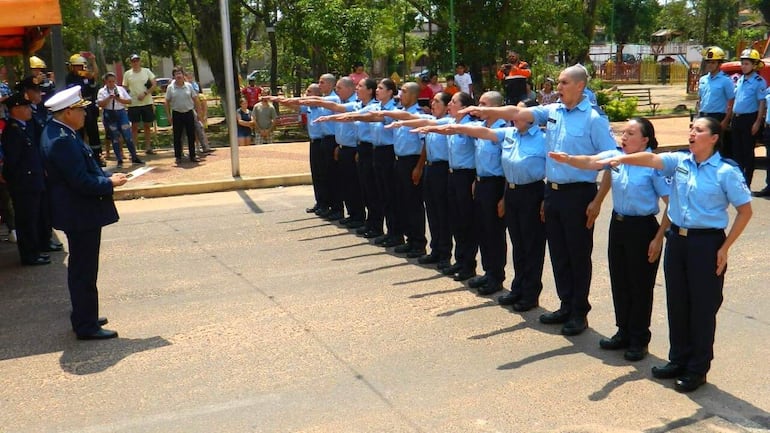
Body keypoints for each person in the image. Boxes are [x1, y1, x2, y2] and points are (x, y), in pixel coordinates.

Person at [597, 117, 752, 392]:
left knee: (702, 308)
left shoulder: (725, 171)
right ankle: (678, 360)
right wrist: (621, 159)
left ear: (714, 138)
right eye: (692, 129)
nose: (692, 133)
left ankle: (697, 369)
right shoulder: (680, 161)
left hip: (706, 243)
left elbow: (745, 212)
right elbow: (652, 160)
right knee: (677, 304)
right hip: (677, 241)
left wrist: (725, 247)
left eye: (699, 130)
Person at [460, 64, 617, 336]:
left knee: (577, 256)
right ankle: (565, 305)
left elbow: (612, 160)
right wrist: (488, 111)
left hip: (579, 194)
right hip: (553, 192)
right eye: (558, 82)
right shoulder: (553, 111)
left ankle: (579, 312)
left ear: (580, 86)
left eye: (564, 82)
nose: (558, 87)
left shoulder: (594, 119)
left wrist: (598, 200)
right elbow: (519, 112)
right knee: (558, 254)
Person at [550, 117, 670, 361]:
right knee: (620, 280)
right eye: (622, 133)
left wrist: (659, 238)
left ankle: (639, 338)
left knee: (640, 286)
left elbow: (672, 205)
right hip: (619, 225)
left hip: (643, 228)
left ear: (645, 140)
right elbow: (592, 162)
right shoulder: (617, 158)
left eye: (630, 133)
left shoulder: (653, 165)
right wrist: (569, 159)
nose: (623, 137)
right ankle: (623, 331)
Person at [40, 85, 128, 340]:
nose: (85, 115)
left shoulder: (60, 132)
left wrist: (108, 176)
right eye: (80, 110)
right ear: (68, 112)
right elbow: (80, 181)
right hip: (79, 213)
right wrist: (110, 183)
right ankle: (86, 324)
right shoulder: (61, 140)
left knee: (82, 269)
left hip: (77, 212)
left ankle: (84, 315)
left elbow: (83, 170)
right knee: (84, 271)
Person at [0, 94, 49, 265]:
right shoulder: (12, 131)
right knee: (26, 220)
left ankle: (34, 251)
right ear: (16, 109)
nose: (29, 110)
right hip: (23, 184)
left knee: (32, 218)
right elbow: (12, 162)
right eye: (26, 107)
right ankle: (29, 255)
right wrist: (18, 181)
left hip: (31, 181)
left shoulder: (22, 127)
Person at [730, 48, 767, 186]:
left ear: (754, 65)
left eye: (747, 64)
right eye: (743, 63)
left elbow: (761, 103)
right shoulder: (739, 80)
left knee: (747, 152)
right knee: (736, 152)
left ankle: (746, 183)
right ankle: (737, 182)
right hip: (737, 119)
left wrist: (758, 122)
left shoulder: (759, 82)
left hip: (749, 119)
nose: (743, 66)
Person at [97, 72, 143, 167]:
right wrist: (109, 98)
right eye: (109, 81)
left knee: (128, 136)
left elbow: (129, 101)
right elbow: (100, 104)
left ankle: (134, 156)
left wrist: (118, 99)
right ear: (105, 81)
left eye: (113, 81)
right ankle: (119, 159)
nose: (111, 83)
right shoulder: (102, 91)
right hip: (110, 114)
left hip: (121, 113)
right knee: (115, 138)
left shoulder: (120, 89)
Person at [65, 52, 103, 167]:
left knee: (93, 133)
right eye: (77, 66)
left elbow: (95, 75)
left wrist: (93, 61)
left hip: (89, 108)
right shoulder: (69, 78)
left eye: (81, 66)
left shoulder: (86, 76)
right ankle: (82, 157)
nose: (80, 68)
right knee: (79, 133)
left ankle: (97, 157)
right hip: (76, 108)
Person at [696, 47, 734, 153]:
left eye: (713, 62)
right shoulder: (703, 79)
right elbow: (700, 99)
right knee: (703, 146)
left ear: (719, 64)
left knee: (718, 148)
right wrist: (697, 116)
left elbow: (731, 101)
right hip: (703, 115)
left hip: (718, 117)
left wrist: (726, 120)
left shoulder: (726, 80)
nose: (710, 65)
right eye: (708, 62)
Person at [123, 54, 158, 155]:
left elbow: (154, 84)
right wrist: (129, 96)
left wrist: (145, 93)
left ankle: (148, 147)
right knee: (134, 126)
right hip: (133, 104)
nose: (135, 62)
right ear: (131, 62)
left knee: (147, 125)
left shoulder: (146, 71)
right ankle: (133, 148)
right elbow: (124, 87)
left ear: (140, 61)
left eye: (137, 60)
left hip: (146, 102)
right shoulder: (127, 74)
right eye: (133, 61)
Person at [165, 67, 200, 163]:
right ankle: (178, 156)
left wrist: (198, 113)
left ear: (183, 75)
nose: (178, 75)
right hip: (177, 114)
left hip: (189, 113)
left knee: (191, 135)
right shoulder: (170, 88)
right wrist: (168, 115)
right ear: (174, 76)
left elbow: (196, 99)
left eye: (180, 73)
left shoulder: (189, 86)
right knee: (177, 136)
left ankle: (192, 155)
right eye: (176, 74)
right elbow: (166, 102)